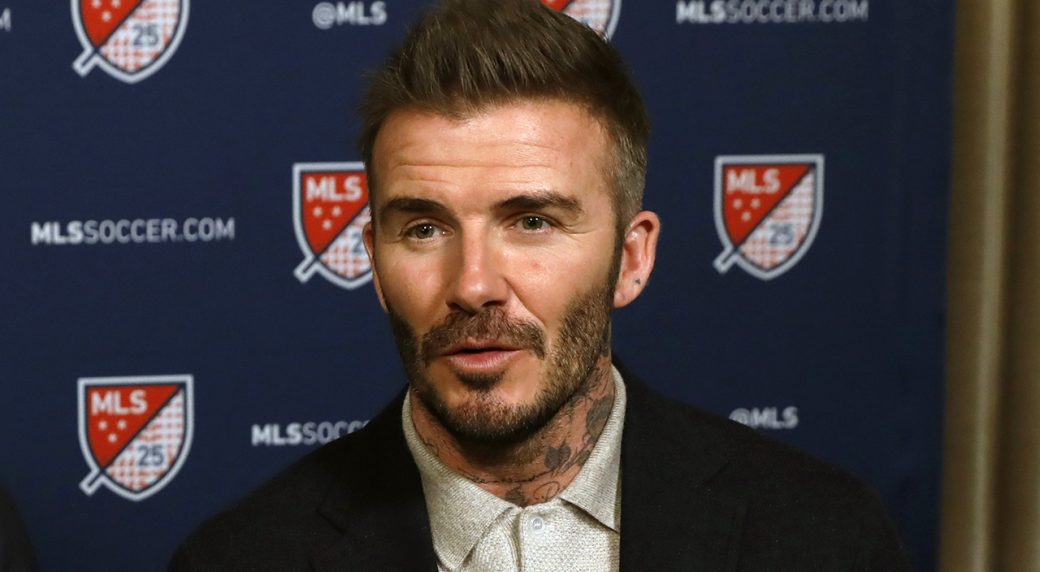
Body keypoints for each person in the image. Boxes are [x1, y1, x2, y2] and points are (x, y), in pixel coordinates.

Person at [170, 0, 911, 570]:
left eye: (532, 222)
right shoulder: (241, 559)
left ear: (631, 259)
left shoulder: (821, 538)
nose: (473, 285)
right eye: (424, 228)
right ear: (373, 261)